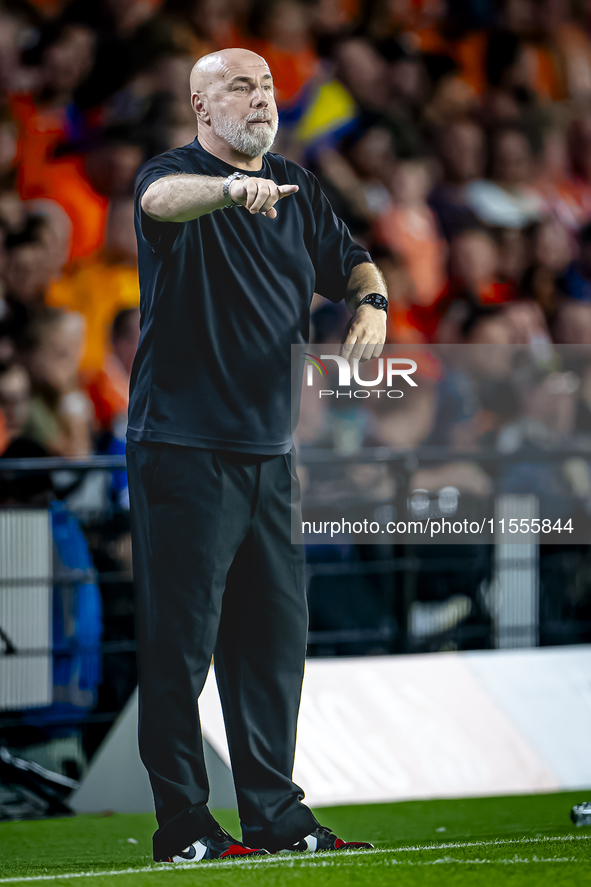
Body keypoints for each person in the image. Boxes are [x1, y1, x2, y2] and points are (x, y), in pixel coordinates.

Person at [126, 47, 387, 864]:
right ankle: (184, 825)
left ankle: (276, 814)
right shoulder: (178, 177)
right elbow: (161, 199)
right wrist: (228, 189)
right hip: (182, 446)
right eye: (241, 86)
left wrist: (371, 302)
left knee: (271, 644)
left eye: (269, 86)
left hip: (271, 453)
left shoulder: (300, 188)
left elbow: (350, 260)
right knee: (180, 643)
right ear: (203, 106)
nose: (262, 98)